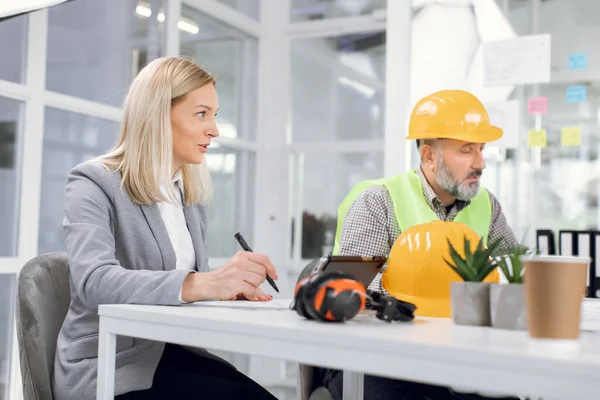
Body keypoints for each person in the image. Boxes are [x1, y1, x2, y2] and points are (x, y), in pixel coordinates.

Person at [52, 57, 279, 400]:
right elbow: (93, 281)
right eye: (202, 114)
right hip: (110, 365)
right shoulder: (93, 181)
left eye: (215, 115)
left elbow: (180, 288)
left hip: (172, 353)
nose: (214, 129)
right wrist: (205, 283)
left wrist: (223, 288)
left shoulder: (188, 193)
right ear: (158, 115)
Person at [322, 90, 523, 400]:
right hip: (375, 358)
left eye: (481, 149)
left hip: (459, 356)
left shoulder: (487, 206)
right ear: (429, 156)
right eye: (467, 151)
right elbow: (351, 287)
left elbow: (512, 277)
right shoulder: (378, 201)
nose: (481, 163)